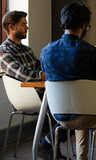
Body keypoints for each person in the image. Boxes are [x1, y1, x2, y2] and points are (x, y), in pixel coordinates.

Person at [40, 2, 96, 160]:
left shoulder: (46, 51)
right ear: (84, 25)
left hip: (58, 114)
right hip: (89, 114)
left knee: (81, 107)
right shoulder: (90, 51)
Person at [0, 10, 69, 160]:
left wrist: (55, 70)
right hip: (25, 97)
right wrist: (47, 75)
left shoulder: (27, 50)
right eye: (23, 24)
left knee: (71, 106)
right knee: (69, 108)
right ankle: (48, 147)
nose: (27, 27)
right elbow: (23, 74)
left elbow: (41, 67)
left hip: (42, 92)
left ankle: (48, 146)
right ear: (11, 27)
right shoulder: (3, 51)